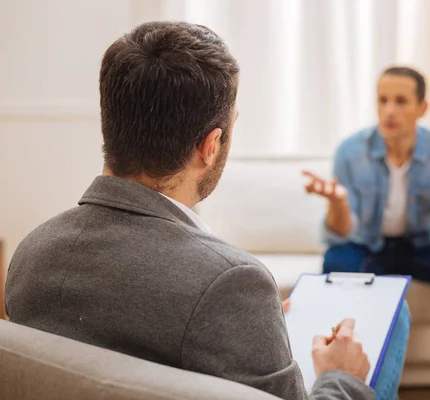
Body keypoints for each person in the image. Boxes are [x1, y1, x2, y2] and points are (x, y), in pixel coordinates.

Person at [6, 21, 390, 400]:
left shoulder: (32, 251)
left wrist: (252, 326)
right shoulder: (231, 280)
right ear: (210, 146)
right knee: (393, 321)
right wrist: (341, 377)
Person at [303, 66, 430, 400]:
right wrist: (337, 203)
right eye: (383, 100)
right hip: (367, 246)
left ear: (422, 108)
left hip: (420, 246)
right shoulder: (351, 152)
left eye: (400, 101)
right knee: (335, 262)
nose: (389, 111)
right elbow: (340, 232)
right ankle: (338, 390)